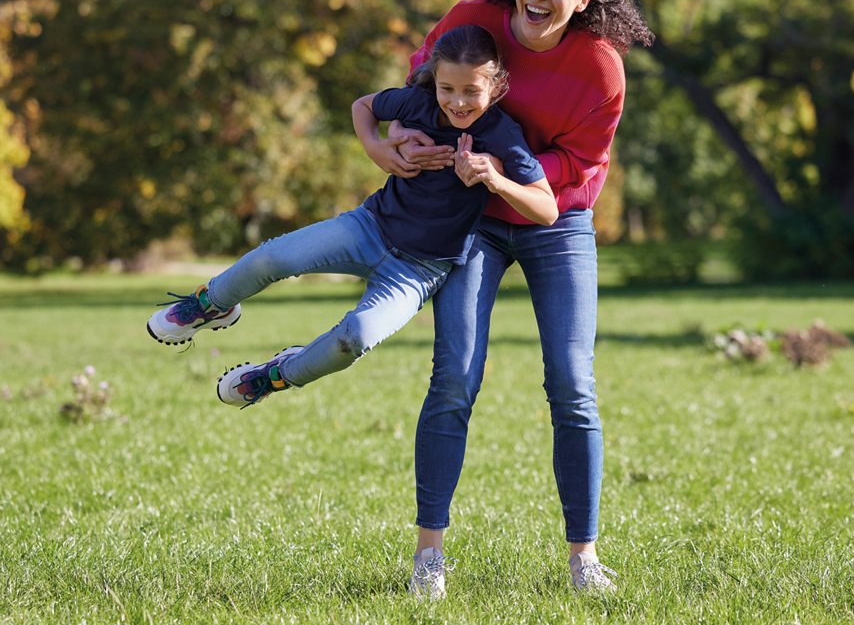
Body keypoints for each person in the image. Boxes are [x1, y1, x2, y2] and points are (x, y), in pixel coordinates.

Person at [361, 0, 653, 599]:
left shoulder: (600, 67)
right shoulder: (472, 21)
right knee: (455, 377)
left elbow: (582, 165)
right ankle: (428, 556)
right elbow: (418, 94)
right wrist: (393, 141)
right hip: (471, 222)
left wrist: (505, 168)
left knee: (571, 385)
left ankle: (584, 559)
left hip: (557, 219)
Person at [147, 24, 559, 407]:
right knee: (276, 257)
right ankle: (212, 303)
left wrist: (496, 180)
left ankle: (276, 375)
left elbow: (547, 208)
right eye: (447, 88)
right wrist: (378, 148)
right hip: (369, 227)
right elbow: (363, 106)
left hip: (418, 271)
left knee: (354, 339)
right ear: (434, 79)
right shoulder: (415, 102)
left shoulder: (502, 135)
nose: (457, 102)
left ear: (496, 85)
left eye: (471, 90)